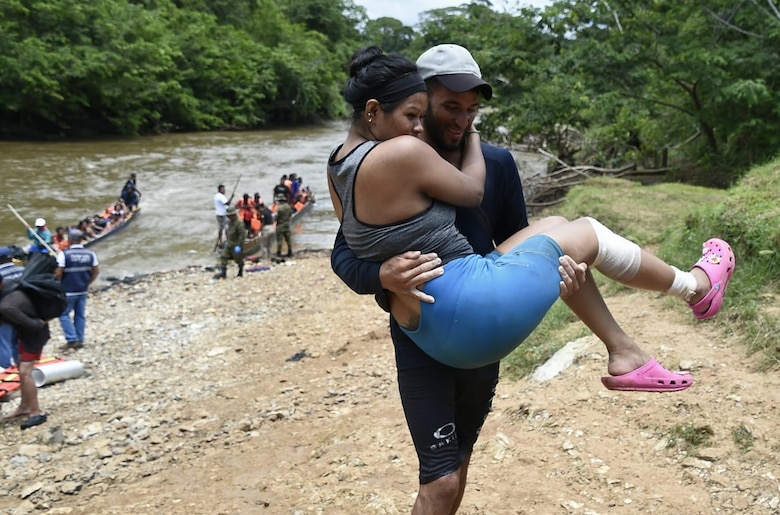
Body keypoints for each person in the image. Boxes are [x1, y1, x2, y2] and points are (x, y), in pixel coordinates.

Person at [329, 46, 734, 511]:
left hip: (480, 303)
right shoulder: (393, 154)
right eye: (446, 108)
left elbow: (516, 242)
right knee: (437, 480)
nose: (460, 121)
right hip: (430, 333)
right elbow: (345, 252)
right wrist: (381, 274)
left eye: (472, 111)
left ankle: (628, 348)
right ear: (418, 98)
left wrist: (559, 277)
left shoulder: (495, 163)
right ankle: (688, 295)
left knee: (459, 463)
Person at [0, 285, 51, 429]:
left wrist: (43, 321)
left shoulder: (6, 306)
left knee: (25, 372)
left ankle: (36, 412)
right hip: (24, 335)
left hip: (34, 337)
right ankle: (24, 406)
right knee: (19, 366)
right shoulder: (10, 288)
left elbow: (35, 325)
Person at [54, 231, 99, 351]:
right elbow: (96, 271)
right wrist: (88, 282)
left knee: (63, 314)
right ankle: (80, 339)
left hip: (68, 290)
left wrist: (57, 284)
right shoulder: (90, 254)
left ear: (69, 240)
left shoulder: (64, 254)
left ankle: (71, 339)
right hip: (82, 290)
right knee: (80, 315)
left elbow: (58, 273)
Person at [0, 247, 25, 369]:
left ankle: (5, 369)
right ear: (10, 257)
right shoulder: (23, 269)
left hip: (4, 312)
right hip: (23, 310)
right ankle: (20, 365)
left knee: (3, 342)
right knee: (18, 340)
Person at [213, 206, 246, 279]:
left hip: (236, 245)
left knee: (238, 259)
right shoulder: (230, 222)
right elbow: (227, 232)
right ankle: (223, 273)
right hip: (229, 244)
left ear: (234, 215)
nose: (229, 217)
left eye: (230, 215)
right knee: (223, 257)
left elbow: (242, 236)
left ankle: (240, 272)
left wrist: (240, 246)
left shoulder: (239, 223)